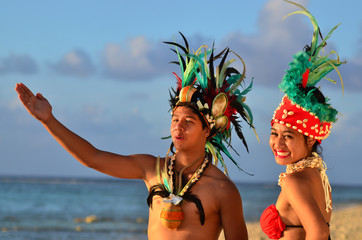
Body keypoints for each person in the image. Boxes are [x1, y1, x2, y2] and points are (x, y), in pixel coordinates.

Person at [16, 34, 256, 240]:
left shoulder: (224, 190)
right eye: (175, 119)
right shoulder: (152, 169)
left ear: (208, 130)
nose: (178, 127)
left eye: (189, 121)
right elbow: (93, 157)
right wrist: (49, 120)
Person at [260, 1, 345, 240]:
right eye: (274, 133)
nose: (277, 143)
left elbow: (318, 232)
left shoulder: (294, 180)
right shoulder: (316, 174)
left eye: (288, 136)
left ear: (310, 139)